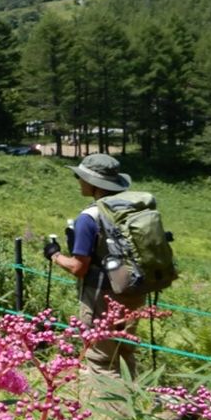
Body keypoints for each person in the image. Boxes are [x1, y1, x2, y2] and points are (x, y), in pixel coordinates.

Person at [44, 153, 146, 376]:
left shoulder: (88, 218)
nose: (78, 181)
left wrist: (55, 255)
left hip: (102, 296)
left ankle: (113, 409)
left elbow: (78, 268)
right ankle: (133, 404)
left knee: (101, 359)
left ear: (92, 183)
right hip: (133, 289)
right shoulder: (132, 209)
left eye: (80, 177)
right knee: (124, 350)